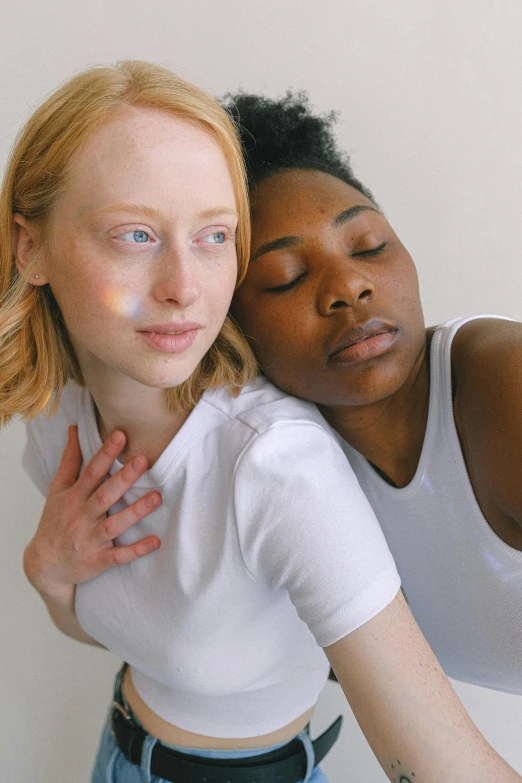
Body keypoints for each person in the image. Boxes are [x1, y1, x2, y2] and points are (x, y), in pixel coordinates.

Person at [3, 63, 521, 783]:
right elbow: (121, 628)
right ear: (30, 248)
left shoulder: (278, 467)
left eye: (214, 237)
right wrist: (49, 573)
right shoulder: (54, 411)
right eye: (135, 235)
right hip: (116, 754)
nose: (184, 288)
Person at [225, 91, 522, 698]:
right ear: (230, 324)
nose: (348, 287)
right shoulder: (275, 470)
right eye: (284, 278)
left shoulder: (503, 381)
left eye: (368, 245)